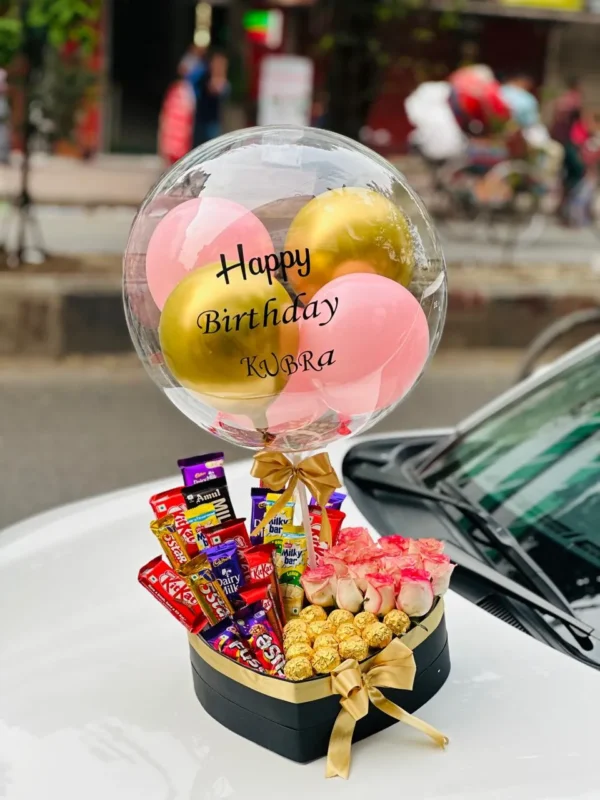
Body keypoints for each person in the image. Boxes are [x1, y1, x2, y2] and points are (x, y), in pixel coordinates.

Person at [188, 49, 230, 147]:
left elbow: (222, 92)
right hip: (200, 120)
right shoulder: (202, 75)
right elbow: (190, 80)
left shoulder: (224, 83)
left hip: (212, 123)